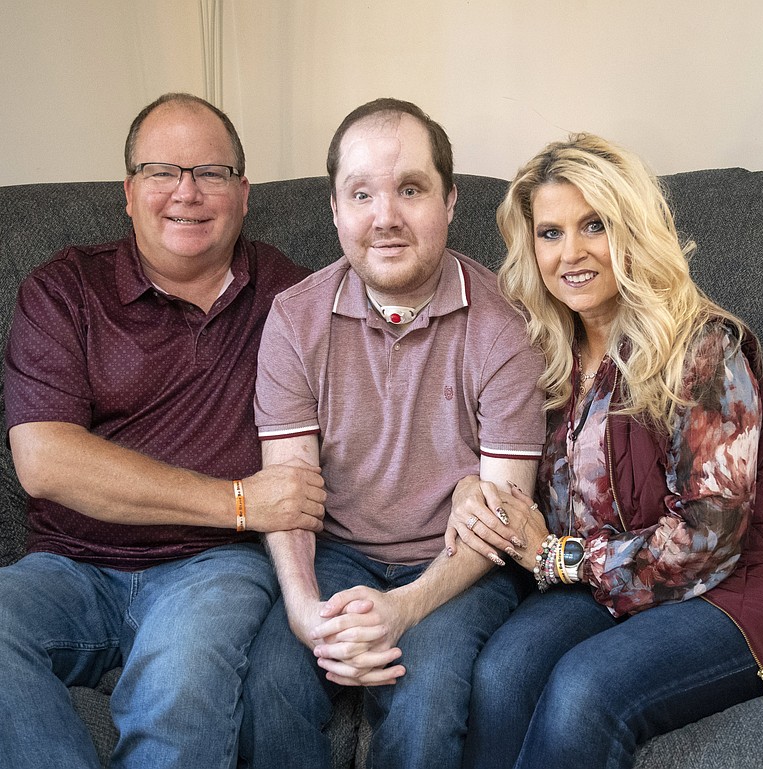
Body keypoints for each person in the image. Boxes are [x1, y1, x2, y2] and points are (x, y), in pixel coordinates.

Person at [0, 93, 326, 769]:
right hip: (71, 567)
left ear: (243, 194)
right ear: (128, 193)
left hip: (213, 567)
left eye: (211, 172)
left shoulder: (295, 297)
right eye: (162, 171)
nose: (186, 192)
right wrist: (241, 501)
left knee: (182, 676)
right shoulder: (65, 288)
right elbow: (45, 459)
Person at [448, 133, 763, 769]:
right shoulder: (541, 355)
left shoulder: (701, 350)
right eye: (551, 233)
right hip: (601, 580)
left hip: (742, 582)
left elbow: (710, 537)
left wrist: (559, 557)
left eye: (595, 225)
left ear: (632, 232)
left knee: (586, 690)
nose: (573, 253)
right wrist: (468, 489)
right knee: (503, 673)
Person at [239, 98, 546, 769]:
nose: (386, 218)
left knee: (429, 699)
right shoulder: (294, 320)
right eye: (362, 194)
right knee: (268, 686)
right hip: (336, 554)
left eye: (411, 189)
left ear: (450, 201)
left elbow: (501, 516)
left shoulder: (504, 326)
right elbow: (285, 494)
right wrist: (303, 610)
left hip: (458, 565)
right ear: (336, 211)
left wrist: (404, 607)